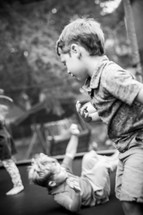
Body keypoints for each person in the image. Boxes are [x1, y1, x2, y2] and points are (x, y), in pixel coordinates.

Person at [56, 17, 143, 215]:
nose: (67, 70)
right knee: (126, 200)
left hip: (138, 144)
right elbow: (114, 110)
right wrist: (92, 116)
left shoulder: (109, 74)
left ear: (76, 51)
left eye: (65, 62)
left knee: (130, 203)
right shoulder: (96, 80)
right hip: (125, 148)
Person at [28, 124, 118, 212]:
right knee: (101, 166)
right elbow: (73, 208)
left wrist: (74, 135)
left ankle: (113, 158)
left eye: (59, 165)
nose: (63, 168)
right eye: (60, 170)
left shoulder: (61, 172)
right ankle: (121, 158)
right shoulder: (59, 196)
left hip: (87, 180)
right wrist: (77, 193)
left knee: (88, 157)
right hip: (97, 194)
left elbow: (69, 153)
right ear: (52, 183)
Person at [0, 93, 24, 195]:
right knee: (8, 162)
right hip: (4, 138)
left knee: (8, 163)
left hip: (2, 141)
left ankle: (18, 185)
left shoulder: (1, 112)